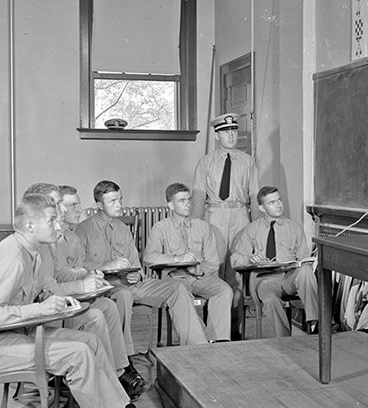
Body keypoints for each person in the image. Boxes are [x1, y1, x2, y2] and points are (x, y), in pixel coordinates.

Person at [0, 194, 177, 408]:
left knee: (90, 341)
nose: (58, 225)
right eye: (51, 220)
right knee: (78, 353)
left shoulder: (33, 252)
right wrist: (39, 310)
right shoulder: (13, 256)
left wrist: (55, 302)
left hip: (22, 333)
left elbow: (38, 294)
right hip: (6, 344)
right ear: (29, 225)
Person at [21, 183, 147, 399]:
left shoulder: (58, 240)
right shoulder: (31, 247)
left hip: (56, 307)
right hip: (40, 319)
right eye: (57, 205)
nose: (62, 210)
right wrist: (83, 282)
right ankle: (108, 382)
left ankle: (117, 373)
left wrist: (88, 276)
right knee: (96, 314)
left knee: (106, 306)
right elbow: (45, 291)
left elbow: (60, 273)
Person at [75, 180, 210, 347]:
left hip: (134, 284)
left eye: (120, 199)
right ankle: (125, 357)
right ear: (99, 205)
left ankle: (198, 346)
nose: (119, 205)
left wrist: (136, 274)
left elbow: (136, 265)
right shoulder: (82, 230)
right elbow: (79, 267)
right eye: (113, 201)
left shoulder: (123, 228)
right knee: (123, 294)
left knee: (177, 288)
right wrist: (106, 266)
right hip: (108, 287)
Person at [192, 112, 260, 339]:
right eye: (225, 131)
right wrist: (196, 231)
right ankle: (211, 332)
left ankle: (234, 332)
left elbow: (255, 196)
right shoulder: (205, 163)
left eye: (234, 131)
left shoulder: (248, 161)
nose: (231, 135)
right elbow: (199, 199)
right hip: (215, 218)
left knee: (237, 275)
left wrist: (257, 230)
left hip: (241, 216)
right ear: (217, 135)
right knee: (213, 272)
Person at [54, 184, 139, 357]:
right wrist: (96, 272)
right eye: (73, 205)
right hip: (65, 299)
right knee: (105, 308)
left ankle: (120, 366)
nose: (79, 209)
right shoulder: (78, 231)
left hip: (91, 290)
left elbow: (77, 270)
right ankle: (116, 363)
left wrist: (134, 274)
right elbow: (59, 277)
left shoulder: (71, 238)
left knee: (110, 304)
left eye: (78, 204)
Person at [144, 183, 235, 343]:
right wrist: (176, 259)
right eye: (182, 200)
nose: (188, 204)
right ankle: (199, 342)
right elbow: (149, 257)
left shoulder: (203, 227)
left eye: (189, 199)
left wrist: (198, 271)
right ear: (170, 205)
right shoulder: (160, 228)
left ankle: (219, 341)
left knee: (224, 290)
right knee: (180, 292)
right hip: (175, 279)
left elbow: (213, 261)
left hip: (200, 277)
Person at [231, 187, 319, 337]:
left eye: (279, 200)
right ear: (261, 207)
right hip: (265, 280)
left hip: (290, 278)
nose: (278, 205)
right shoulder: (252, 229)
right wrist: (249, 259)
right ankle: (285, 339)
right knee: (270, 300)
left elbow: (305, 259)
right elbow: (235, 260)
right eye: (272, 202)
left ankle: (315, 323)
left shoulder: (295, 228)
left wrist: (301, 264)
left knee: (305, 271)